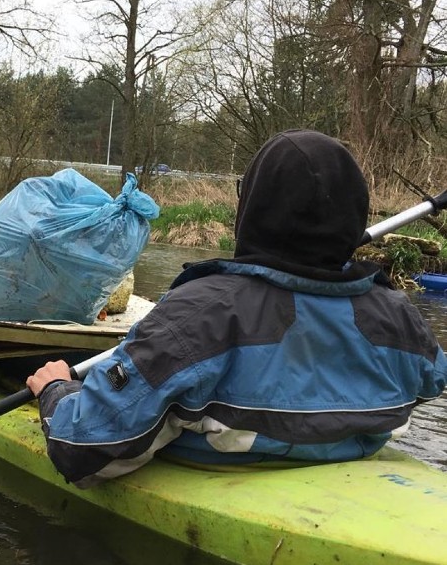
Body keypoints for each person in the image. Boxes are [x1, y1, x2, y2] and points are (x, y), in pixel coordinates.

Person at [26, 129, 447, 489]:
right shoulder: (397, 311)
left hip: (220, 466)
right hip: (352, 465)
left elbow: (82, 444)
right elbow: (432, 382)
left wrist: (57, 390)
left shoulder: (200, 312)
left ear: (253, 210)